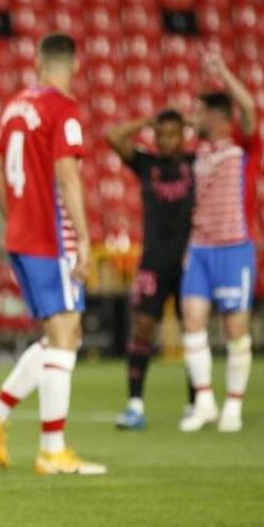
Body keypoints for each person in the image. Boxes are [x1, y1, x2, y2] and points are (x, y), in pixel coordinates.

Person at [0, 33, 106, 475]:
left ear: (37, 61)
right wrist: (84, 239)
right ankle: (52, 449)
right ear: (76, 66)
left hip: (22, 235)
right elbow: (68, 175)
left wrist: (15, 220)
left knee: (58, 335)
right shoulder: (61, 108)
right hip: (51, 237)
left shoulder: (15, 107)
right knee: (66, 331)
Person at [179, 52, 260, 433]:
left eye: (199, 110)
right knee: (192, 321)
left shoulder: (242, 146)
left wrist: (223, 73)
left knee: (234, 329)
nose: (194, 116)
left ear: (216, 116)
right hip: (199, 249)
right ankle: (205, 401)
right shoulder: (197, 153)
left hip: (233, 248)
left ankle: (234, 405)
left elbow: (249, 106)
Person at [106, 110, 197, 429]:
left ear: (184, 135)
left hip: (189, 262)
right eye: (162, 134)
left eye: (174, 134)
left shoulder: (197, 163)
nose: (167, 140)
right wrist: (143, 122)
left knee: (193, 336)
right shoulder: (147, 164)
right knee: (143, 330)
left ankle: (195, 405)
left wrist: (195, 125)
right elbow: (113, 137)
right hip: (154, 262)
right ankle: (134, 405)